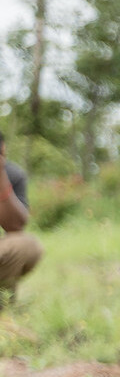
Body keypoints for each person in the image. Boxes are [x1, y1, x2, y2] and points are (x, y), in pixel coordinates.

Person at [0, 130, 41, 305]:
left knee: (26, 244)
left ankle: (3, 301)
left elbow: (15, 226)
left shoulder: (12, 174)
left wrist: (1, 177)